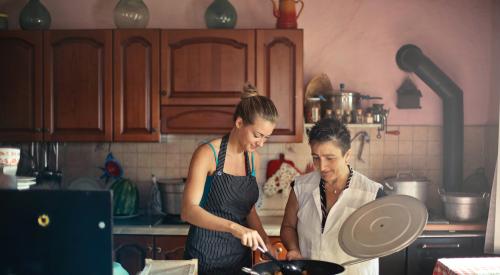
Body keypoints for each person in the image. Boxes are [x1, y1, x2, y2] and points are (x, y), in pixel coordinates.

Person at [181, 83, 279, 275]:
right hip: (204, 258)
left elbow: (248, 209)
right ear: (240, 123)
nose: (261, 143)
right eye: (257, 135)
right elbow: (188, 211)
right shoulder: (208, 154)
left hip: (239, 261)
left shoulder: (253, 158)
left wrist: (265, 240)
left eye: (266, 138)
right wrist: (235, 228)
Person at [280, 117, 385, 275]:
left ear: (347, 155)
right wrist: (294, 249)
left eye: (330, 158)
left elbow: (385, 239)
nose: (322, 167)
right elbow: (288, 227)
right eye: (316, 158)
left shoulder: (373, 193)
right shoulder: (300, 187)